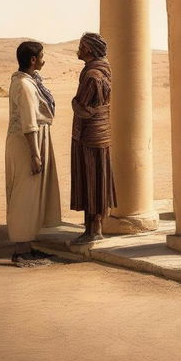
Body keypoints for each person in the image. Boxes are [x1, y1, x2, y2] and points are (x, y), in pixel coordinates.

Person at [5, 41, 61, 266]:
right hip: (28, 143)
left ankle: (27, 247)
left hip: (33, 140)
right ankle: (20, 251)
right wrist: (35, 155)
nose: (44, 60)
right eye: (42, 56)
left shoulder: (28, 82)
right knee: (24, 195)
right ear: (32, 60)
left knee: (31, 194)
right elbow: (29, 123)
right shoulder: (25, 86)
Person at [70, 32, 116, 243]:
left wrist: (74, 103)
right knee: (95, 179)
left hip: (89, 135)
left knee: (92, 180)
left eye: (81, 46)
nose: (78, 50)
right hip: (96, 134)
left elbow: (84, 108)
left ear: (88, 49)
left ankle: (94, 230)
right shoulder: (99, 71)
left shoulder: (92, 76)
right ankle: (91, 228)